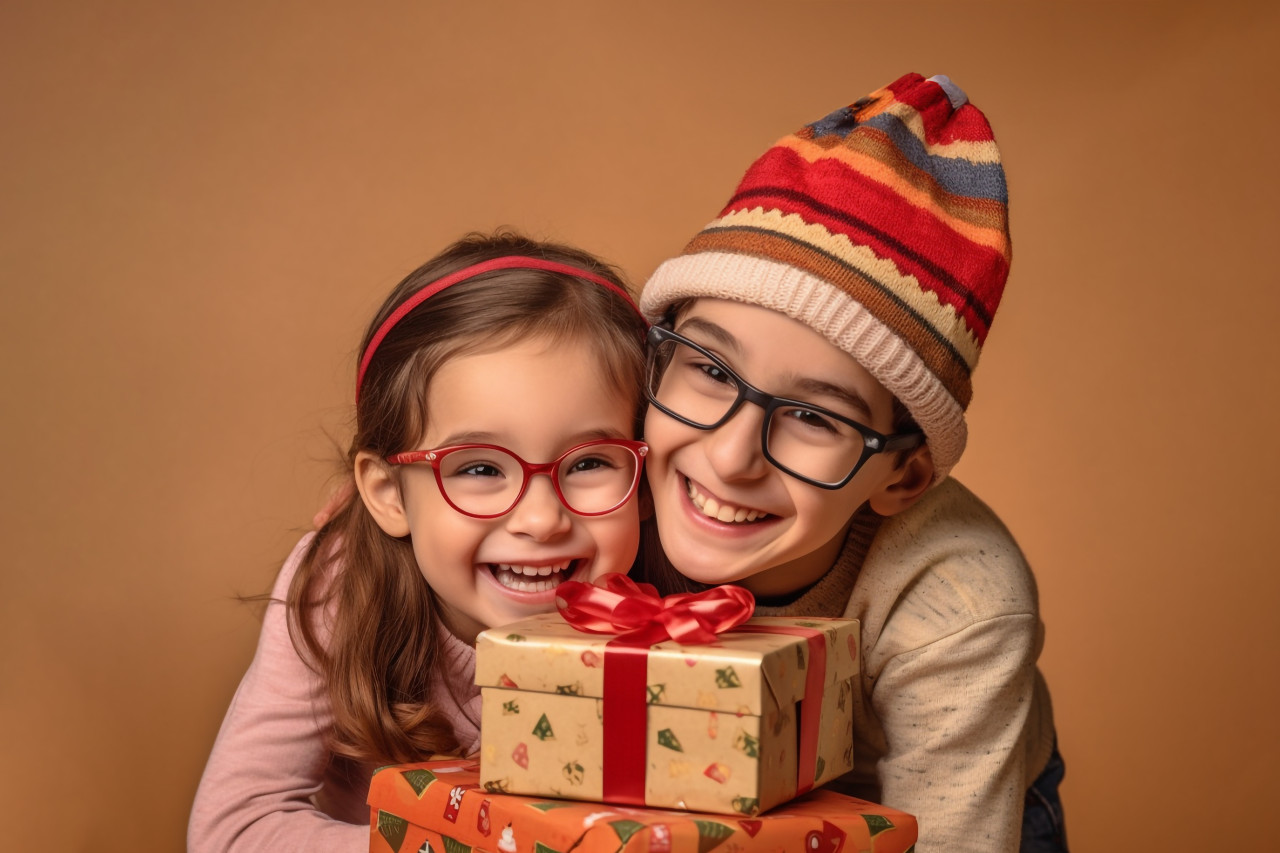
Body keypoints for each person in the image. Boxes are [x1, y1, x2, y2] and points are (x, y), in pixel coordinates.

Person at [634, 73, 1066, 852]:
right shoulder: (607, 473)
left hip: (918, 806)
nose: (729, 458)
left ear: (900, 476)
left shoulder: (958, 600)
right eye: (708, 369)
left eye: (811, 416)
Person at [189, 232, 651, 852]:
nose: (542, 520)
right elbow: (233, 829)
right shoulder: (343, 581)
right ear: (386, 494)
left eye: (591, 462)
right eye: (480, 469)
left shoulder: (677, 603)